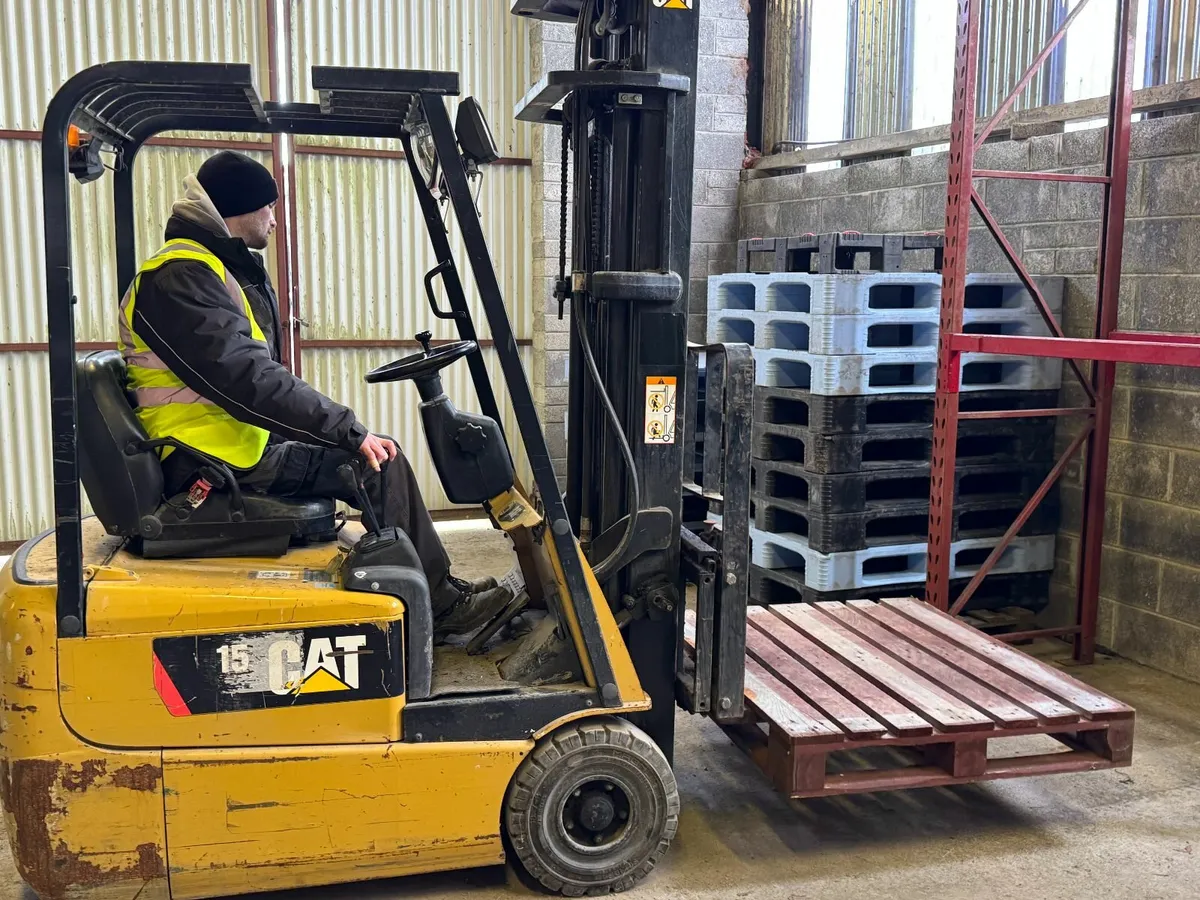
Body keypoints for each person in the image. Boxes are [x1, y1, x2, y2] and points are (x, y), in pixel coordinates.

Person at [118, 150, 509, 638]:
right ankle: (443, 607)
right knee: (376, 462)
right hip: (209, 465)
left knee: (374, 454)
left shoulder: (206, 269)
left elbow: (249, 377)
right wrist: (345, 428)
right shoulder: (182, 277)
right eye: (270, 208)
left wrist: (340, 429)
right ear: (240, 209)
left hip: (226, 448)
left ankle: (433, 589)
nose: (276, 220)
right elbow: (248, 379)